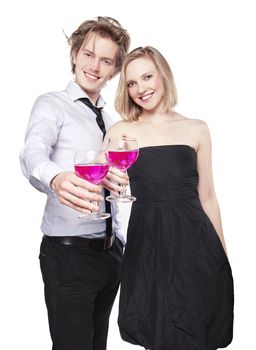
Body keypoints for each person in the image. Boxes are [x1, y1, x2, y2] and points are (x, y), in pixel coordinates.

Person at [105, 46, 234, 350]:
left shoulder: (196, 129)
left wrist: (222, 257)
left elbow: (209, 197)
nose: (141, 89)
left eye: (147, 77)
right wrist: (111, 180)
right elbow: (101, 182)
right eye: (132, 83)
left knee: (195, 329)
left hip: (195, 245)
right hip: (147, 245)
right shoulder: (121, 131)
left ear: (163, 75)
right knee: (155, 330)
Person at [20, 17, 130, 350]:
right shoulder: (51, 104)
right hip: (69, 257)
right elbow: (31, 152)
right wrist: (55, 177)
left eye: (106, 60)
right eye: (88, 54)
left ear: (113, 71)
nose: (94, 66)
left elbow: (114, 184)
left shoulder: (110, 121)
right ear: (75, 54)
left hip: (111, 255)